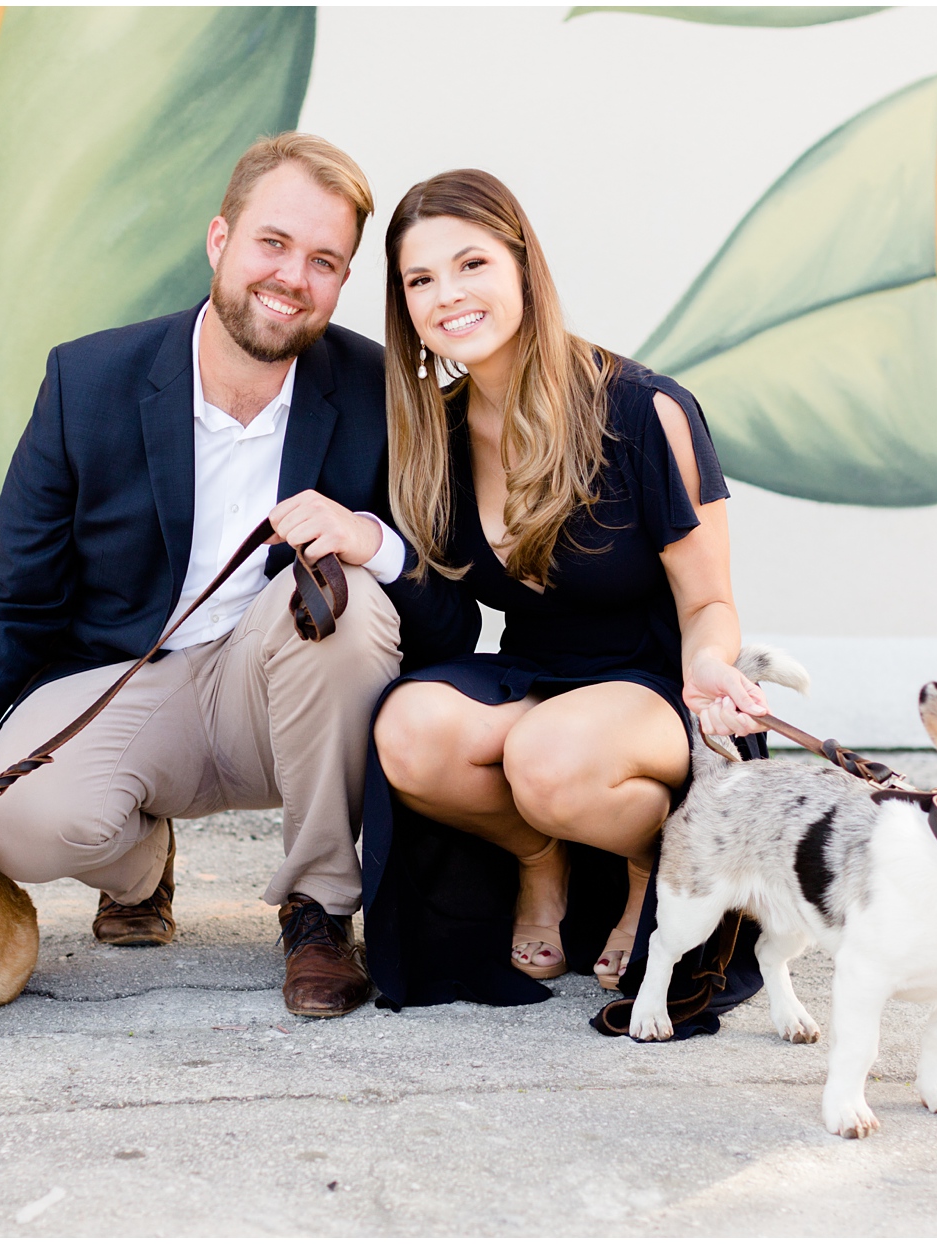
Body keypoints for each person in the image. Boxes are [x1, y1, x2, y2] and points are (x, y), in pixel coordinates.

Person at [0, 134, 476, 1019]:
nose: (293, 277)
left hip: (286, 695)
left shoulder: (386, 396)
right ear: (220, 240)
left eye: (324, 261)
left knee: (351, 601)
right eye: (273, 243)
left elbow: (451, 621)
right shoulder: (89, 381)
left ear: (342, 284)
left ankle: (320, 911)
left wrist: (368, 539)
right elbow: (10, 606)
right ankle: (141, 868)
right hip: (128, 684)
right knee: (20, 825)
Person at [365, 168, 771, 1015]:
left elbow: (709, 603)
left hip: (657, 685)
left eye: (471, 263)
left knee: (547, 758)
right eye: (420, 280)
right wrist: (370, 544)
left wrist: (709, 669)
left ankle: (651, 870)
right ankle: (538, 858)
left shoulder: (644, 409)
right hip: (537, 673)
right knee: (408, 731)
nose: (449, 295)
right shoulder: (432, 434)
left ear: (521, 265)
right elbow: (445, 613)